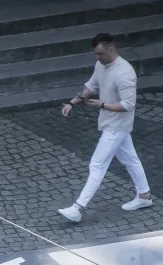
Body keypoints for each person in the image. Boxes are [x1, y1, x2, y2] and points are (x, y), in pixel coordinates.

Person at [57, 32, 153, 223]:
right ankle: (144, 196)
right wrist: (72, 103)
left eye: (100, 53)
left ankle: (78, 208)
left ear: (111, 49)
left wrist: (101, 105)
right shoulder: (100, 65)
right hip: (111, 123)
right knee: (131, 159)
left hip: (117, 126)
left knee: (97, 164)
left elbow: (128, 105)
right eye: (95, 54)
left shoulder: (125, 73)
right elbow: (91, 86)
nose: (97, 57)